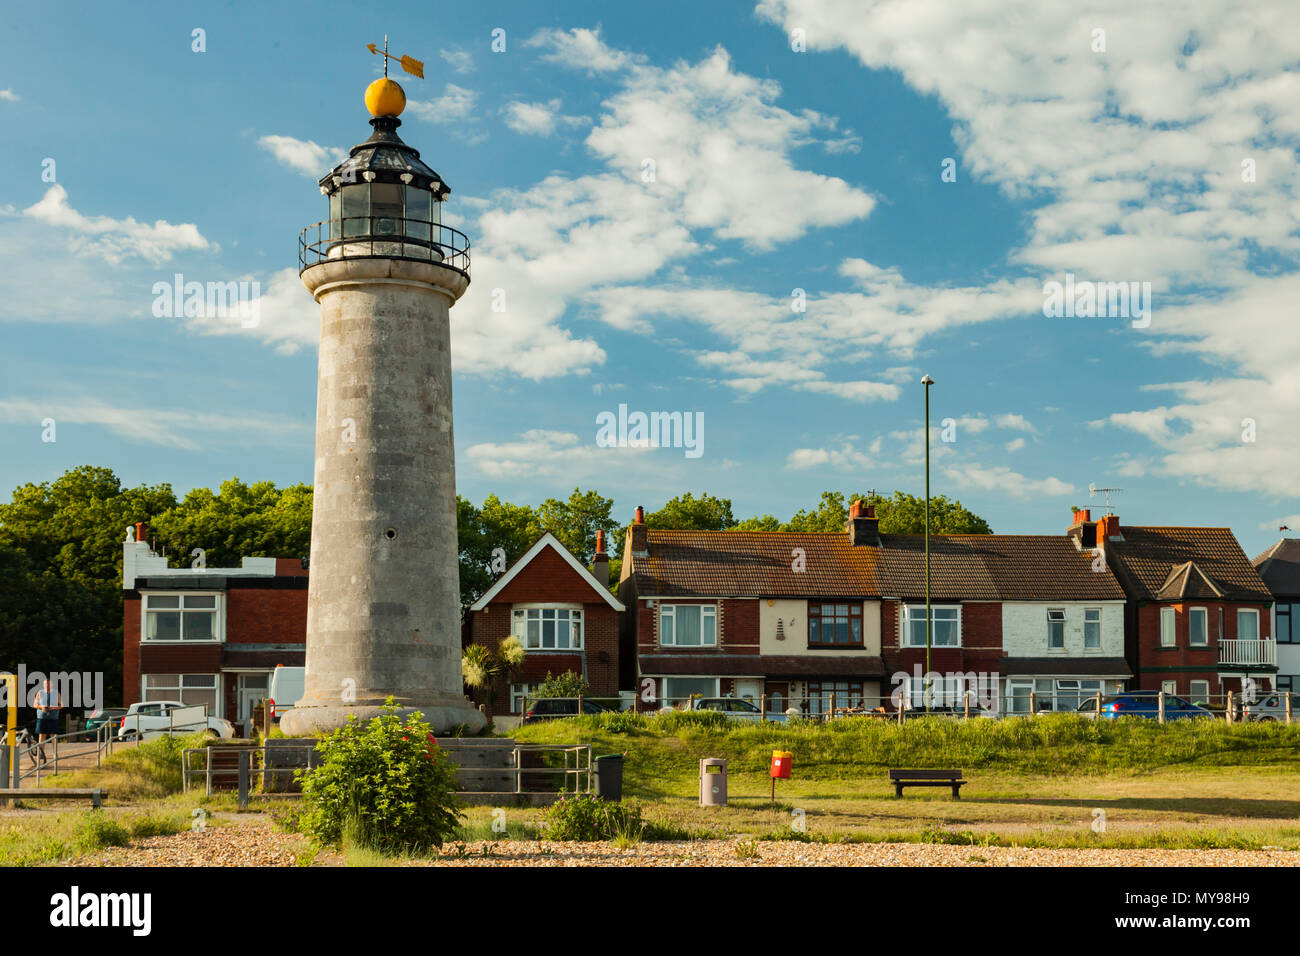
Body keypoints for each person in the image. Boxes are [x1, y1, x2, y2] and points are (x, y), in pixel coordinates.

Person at [32, 678, 61, 764]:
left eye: (48, 684)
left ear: (51, 685)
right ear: (43, 685)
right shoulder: (39, 693)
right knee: (42, 735)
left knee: (53, 735)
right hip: (42, 717)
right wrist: (41, 707)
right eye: (45, 684)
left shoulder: (56, 693)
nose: (47, 686)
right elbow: (34, 705)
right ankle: (41, 753)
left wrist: (54, 707)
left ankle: (55, 753)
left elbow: (61, 705)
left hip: (53, 717)